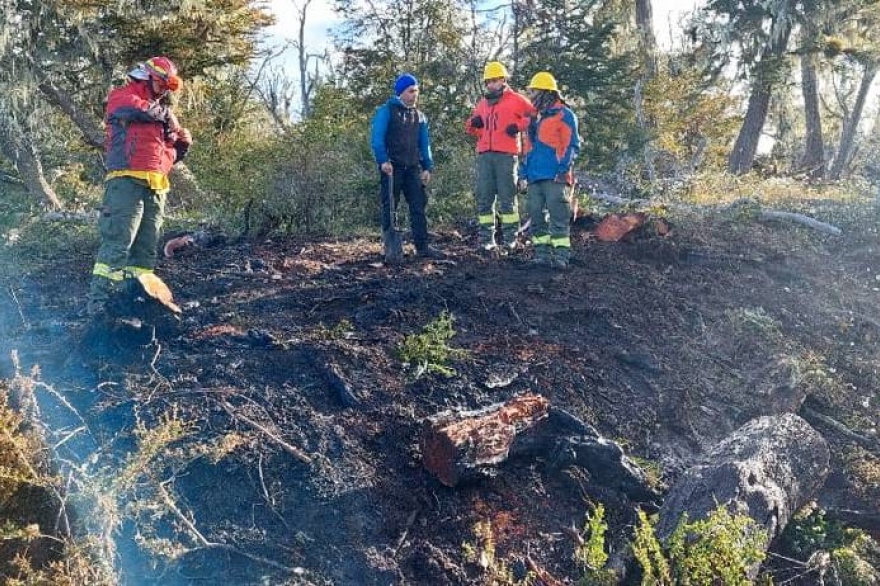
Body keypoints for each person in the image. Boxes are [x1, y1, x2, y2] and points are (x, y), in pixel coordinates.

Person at [87, 56, 192, 316]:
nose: (165, 91)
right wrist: (168, 116)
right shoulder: (122, 97)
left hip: (156, 188)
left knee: (145, 252)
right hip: (126, 182)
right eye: (162, 84)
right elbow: (136, 109)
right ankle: (99, 304)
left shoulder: (159, 118)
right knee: (118, 242)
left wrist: (180, 147)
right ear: (148, 77)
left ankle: (135, 302)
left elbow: (162, 160)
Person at [370, 73, 440, 262]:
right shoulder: (386, 111)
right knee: (390, 207)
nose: (414, 95)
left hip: (413, 168)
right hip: (392, 168)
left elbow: (424, 144)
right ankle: (391, 249)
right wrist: (382, 160)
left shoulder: (420, 116)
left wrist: (427, 166)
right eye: (411, 91)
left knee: (418, 206)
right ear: (401, 92)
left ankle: (422, 246)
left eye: (416, 91)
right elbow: (377, 138)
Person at [465, 61, 535, 252]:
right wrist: (473, 122)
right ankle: (487, 239)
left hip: (506, 155)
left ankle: (510, 238)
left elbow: (535, 115)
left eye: (494, 80)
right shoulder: (482, 104)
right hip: (485, 155)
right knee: (484, 198)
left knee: (507, 198)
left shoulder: (517, 100)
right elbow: (469, 127)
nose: (491, 84)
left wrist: (519, 126)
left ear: (503, 80)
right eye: (488, 81)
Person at [519, 71, 580, 269]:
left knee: (558, 216)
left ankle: (561, 257)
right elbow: (527, 148)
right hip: (535, 177)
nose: (532, 95)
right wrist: (523, 172)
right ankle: (542, 255)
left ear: (546, 92)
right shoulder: (534, 118)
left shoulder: (566, 115)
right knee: (536, 215)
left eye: (535, 91)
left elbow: (572, 145)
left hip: (556, 176)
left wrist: (563, 169)